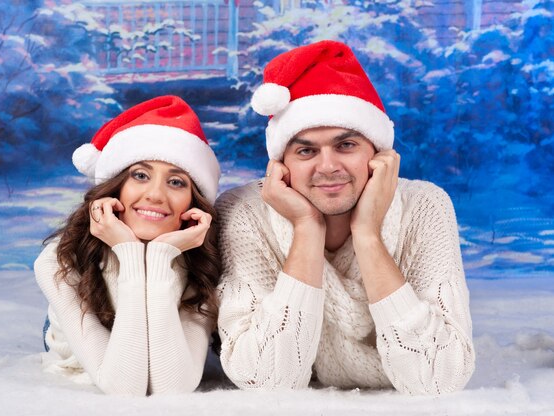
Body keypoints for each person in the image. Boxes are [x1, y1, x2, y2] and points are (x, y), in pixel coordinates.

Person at [216, 40, 475, 395]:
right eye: (306, 150)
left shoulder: (424, 206)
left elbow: (438, 379)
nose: (328, 167)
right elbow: (265, 379)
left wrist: (368, 234)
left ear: (380, 154)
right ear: (280, 165)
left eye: (346, 145)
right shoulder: (244, 211)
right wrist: (306, 228)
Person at [34, 95, 221, 395]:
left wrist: (161, 256)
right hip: (74, 336)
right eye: (140, 175)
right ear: (116, 186)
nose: (155, 195)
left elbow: (172, 386)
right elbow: (125, 387)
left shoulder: (200, 261)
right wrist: (128, 251)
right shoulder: (56, 260)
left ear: (193, 202)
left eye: (176, 182)